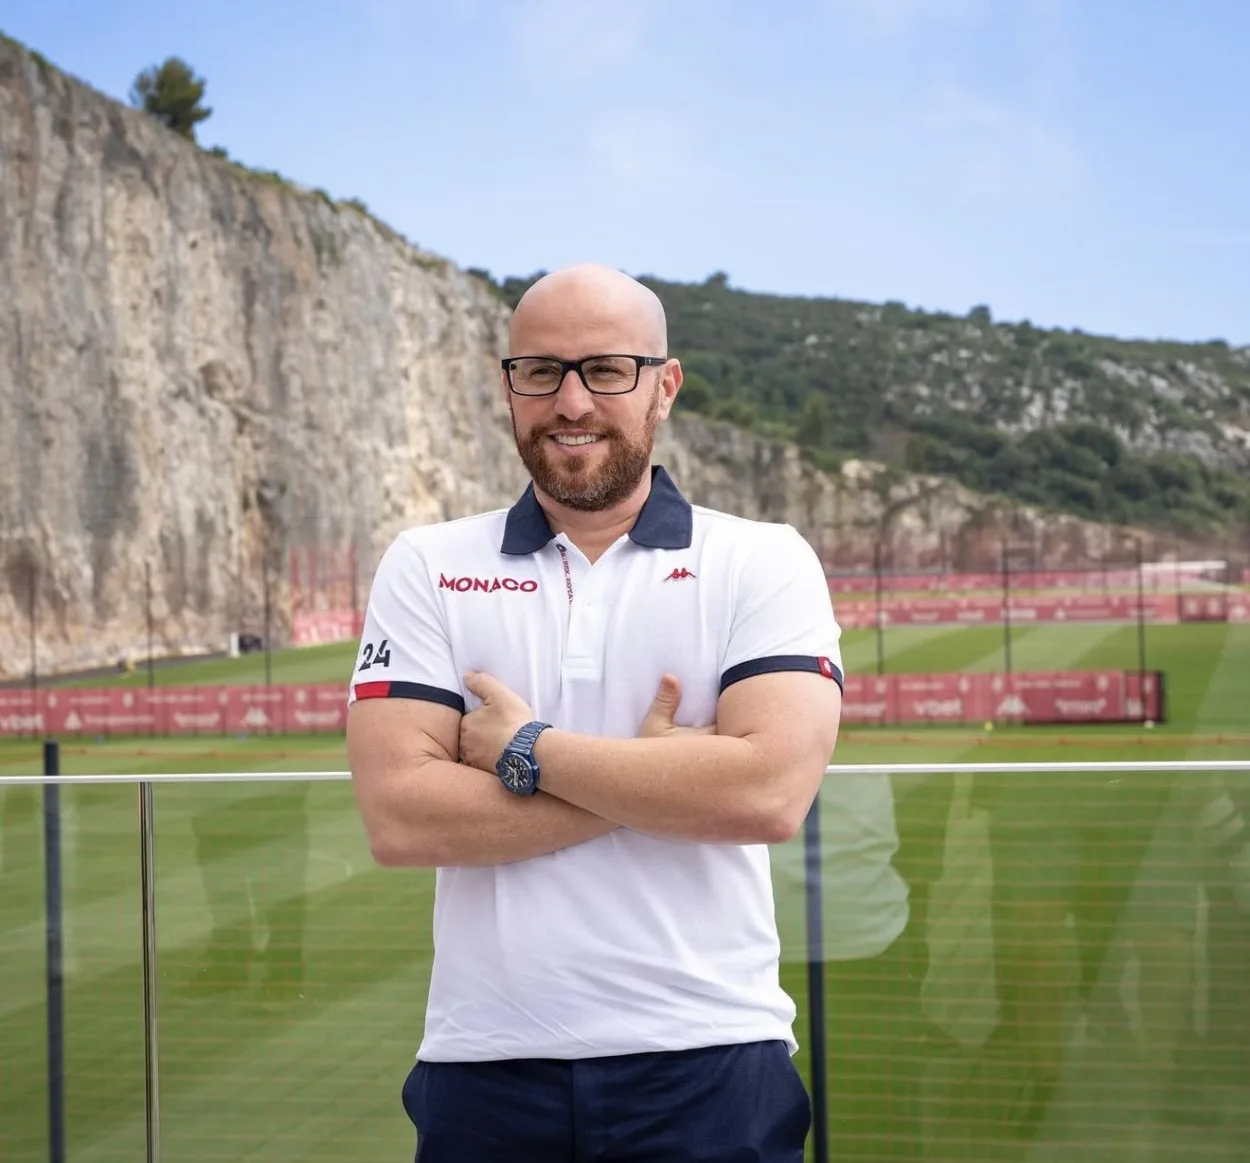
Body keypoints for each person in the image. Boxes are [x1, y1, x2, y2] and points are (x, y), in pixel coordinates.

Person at [345, 263, 845, 1162]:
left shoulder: (762, 558)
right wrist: (666, 775)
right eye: (540, 371)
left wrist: (526, 748)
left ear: (665, 385)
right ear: (509, 385)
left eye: (607, 369)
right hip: (485, 1061)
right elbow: (398, 814)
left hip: (711, 1055)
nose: (570, 399)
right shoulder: (425, 563)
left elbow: (767, 794)